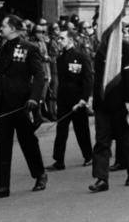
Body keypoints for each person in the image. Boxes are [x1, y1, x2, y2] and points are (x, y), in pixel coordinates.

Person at [0, 15, 48, 200]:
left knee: (28, 142)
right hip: (3, 104)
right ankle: (2, 186)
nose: (0, 29)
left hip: (22, 104)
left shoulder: (30, 48)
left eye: (3, 26)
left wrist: (34, 99)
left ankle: (40, 174)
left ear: (13, 28)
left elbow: (39, 76)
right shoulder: (3, 48)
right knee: (3, 147)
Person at [89, 28, 129, 192]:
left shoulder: (125, 47)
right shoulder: (101, 50)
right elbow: (97, 78)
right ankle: (101, 178)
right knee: (102, 142)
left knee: (126, 140)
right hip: (103, 104)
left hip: (120, 102)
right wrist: (94, 100)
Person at [47, 29, 93, 171]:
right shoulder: (60, 58)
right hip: (63, 99)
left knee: (81, 129)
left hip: (77, 99)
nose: (59, 41)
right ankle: (58, 160)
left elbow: (87, 80)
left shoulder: (81, 56)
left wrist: (84, 99)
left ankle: (89, 156)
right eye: (59, 39)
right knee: (61, 130)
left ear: (71, 40)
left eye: (62, 38)